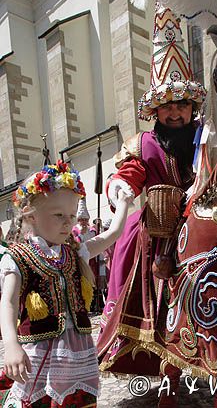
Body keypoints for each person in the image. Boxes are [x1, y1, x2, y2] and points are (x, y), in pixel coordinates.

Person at [97, 6, 206, 385]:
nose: (175, 112)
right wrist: (121, 188)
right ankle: (166, 372)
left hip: (199, 221)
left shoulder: (205, 136)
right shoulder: (143, 143)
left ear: (193, 107)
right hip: (156, 234)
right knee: (151, 298)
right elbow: (128, 175)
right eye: (168, 106)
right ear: (156, 111)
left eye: (182, 105)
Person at [0, 160, 131, 407]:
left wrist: (123, 203)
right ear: (31, 213)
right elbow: (7, 303)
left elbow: (111, 234)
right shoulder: (17, 257)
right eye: (59, 215)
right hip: (39, 354)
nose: (68, 222)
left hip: (77, 354)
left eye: (71, 215)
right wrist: (11, 344)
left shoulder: (74, 251)